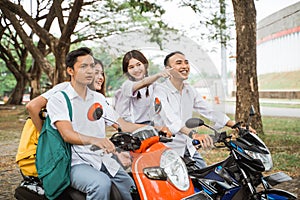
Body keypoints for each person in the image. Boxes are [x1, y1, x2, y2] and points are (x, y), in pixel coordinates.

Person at [46, 47, 142, 199]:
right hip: (74, 163)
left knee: (130, 186)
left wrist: (153, 128)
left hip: (100, 158)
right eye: (84, 66)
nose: (90, 71)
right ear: (70, 71)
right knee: (101, 184)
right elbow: (67, 134)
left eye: (92, 66)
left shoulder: (98, 99)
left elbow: (122, 125)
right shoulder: (59, 99)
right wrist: (96, 140)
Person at [152, 51, 256, 169]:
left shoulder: (189, 90)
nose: (184, 66)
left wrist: (236, 126)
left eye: (186, 62)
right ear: (168, 69)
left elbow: (209, 111)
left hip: (188, 148)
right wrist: (194, 135)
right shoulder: (160, 91)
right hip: (167, 150)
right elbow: (171, 120)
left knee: (207, 178)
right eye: (178, 63)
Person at [114, 50, 171, 124]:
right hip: (134, 126)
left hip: (152, 125)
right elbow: (143, 83)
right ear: (126, 70)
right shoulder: (127, 85)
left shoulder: (153, 85)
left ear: (145, 64)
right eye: (131, 67)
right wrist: (159, 74)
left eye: (138, 64)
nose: (136, 69)